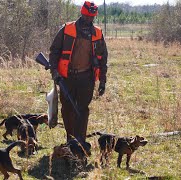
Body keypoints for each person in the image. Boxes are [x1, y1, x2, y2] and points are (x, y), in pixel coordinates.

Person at [49, 1, 108, 154]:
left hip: (87, 78)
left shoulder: (97, 33)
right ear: (82, 13)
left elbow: (103, 59)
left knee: (82, 110)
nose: (89, 19)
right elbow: (54, 51)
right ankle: (70, 139)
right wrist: (54, 71)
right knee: (67, 109)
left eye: (92, 16)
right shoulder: (67, 29)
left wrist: (102, 80)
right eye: (87, 15)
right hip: (67, 77)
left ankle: (80, 141)